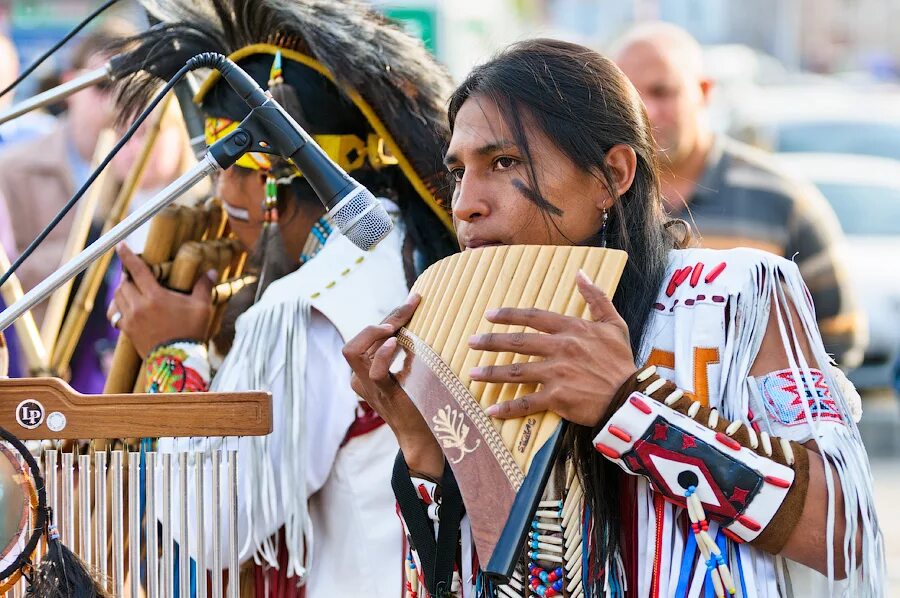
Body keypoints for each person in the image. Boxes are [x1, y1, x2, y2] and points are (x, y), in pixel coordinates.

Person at [344, 39, 883, 597]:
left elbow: (845, 531)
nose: (465, 204)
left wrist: (631, 407)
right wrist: (421, 447)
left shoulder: (734, 298)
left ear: (611, 175)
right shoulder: (467, 331)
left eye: (504, 162)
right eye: (458, 172)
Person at [106, 0, 457, 595]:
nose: (220, 194)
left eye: (229, 168)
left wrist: (173, 351)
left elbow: (214, 527)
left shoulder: (304, 307)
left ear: (271, 179)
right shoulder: (405, 249)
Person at [611, 23, 866, 370]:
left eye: (662, 92)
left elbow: (837, 339)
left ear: (704, 91)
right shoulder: (599, 199)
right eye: (631, 98)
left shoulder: (783, 199)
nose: (647, 112)